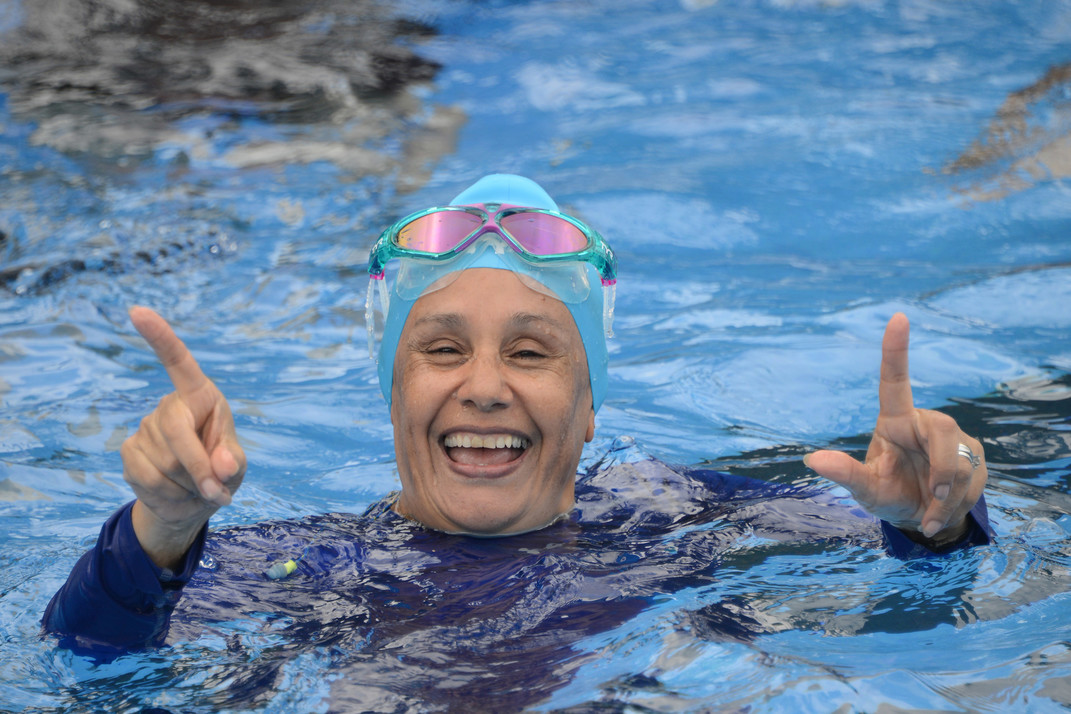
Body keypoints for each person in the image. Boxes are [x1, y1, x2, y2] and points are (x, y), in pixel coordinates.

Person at [42, 175, 991, 669]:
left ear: (587, 410)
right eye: (442, 350)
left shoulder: (682, 517)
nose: (486, 386)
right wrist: (158, 533)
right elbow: (87, 661)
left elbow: (922, 588)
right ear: (392, 395)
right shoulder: (302, 569)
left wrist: (932, 523)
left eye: (532, 353)